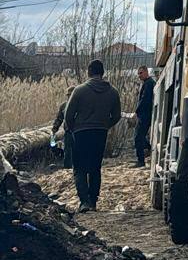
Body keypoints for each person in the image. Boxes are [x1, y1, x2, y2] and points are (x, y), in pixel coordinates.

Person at [64, 59, 121, 213]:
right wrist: (105, 125)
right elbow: (117, 116)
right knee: (95, 167)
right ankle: (94, 201)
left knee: (80, 168)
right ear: (102, 73)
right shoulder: (113, 92)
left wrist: (72, 128)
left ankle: (84, 202)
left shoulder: (79, 90)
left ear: (88, 72)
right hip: (100, 133)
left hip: (81, 133)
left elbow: (68, 114)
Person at [133, 65, 155, 168]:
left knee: (138, 137)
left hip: (145, 114)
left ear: (146, 72)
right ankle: (148, 149)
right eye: (138, 74)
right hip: (145, 114)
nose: (139, 76)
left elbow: (145, 99)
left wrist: (137, 111)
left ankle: (141, 160)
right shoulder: (147, 83)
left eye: (141, 73)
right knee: (140, 137)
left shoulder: (149, 83)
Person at [51, 85, 76, 169]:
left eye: (71, 94)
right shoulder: (64, 106)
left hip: (79, 132)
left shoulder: (81, 104)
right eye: (68, 95)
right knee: (67, 152)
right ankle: (67, 169)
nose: (69, 96)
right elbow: (59, 119)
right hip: (68, 132)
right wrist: (54, 129)